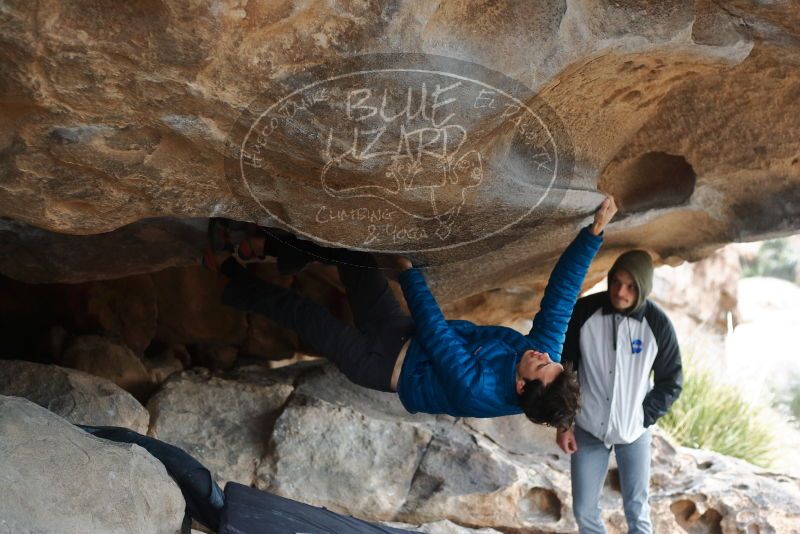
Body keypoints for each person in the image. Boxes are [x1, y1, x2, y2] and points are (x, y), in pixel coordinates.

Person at [205, 197, 617, 426]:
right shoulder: (540, 356)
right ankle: (266, 248)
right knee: (352, 255)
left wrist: (409, 276)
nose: (544, 355)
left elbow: (440, 338)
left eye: (543, 366)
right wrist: (593, 234)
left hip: (377, 364)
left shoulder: (480, 391)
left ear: (525, 388)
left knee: (299, 311)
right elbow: (561, 302)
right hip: (398, 332)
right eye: (551, 361)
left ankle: (225, 271)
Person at [555, 250, 682, 533]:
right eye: (616, 282)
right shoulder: (584, 312)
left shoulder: (658, 324)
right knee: (584, 510)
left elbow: (671, 381)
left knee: (637, 510)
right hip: (588, 428)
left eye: (630, 286)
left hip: (634, 431)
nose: (620, 292)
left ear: (643, 288)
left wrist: (643, 417)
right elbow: (565, 371)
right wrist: (564, 423)